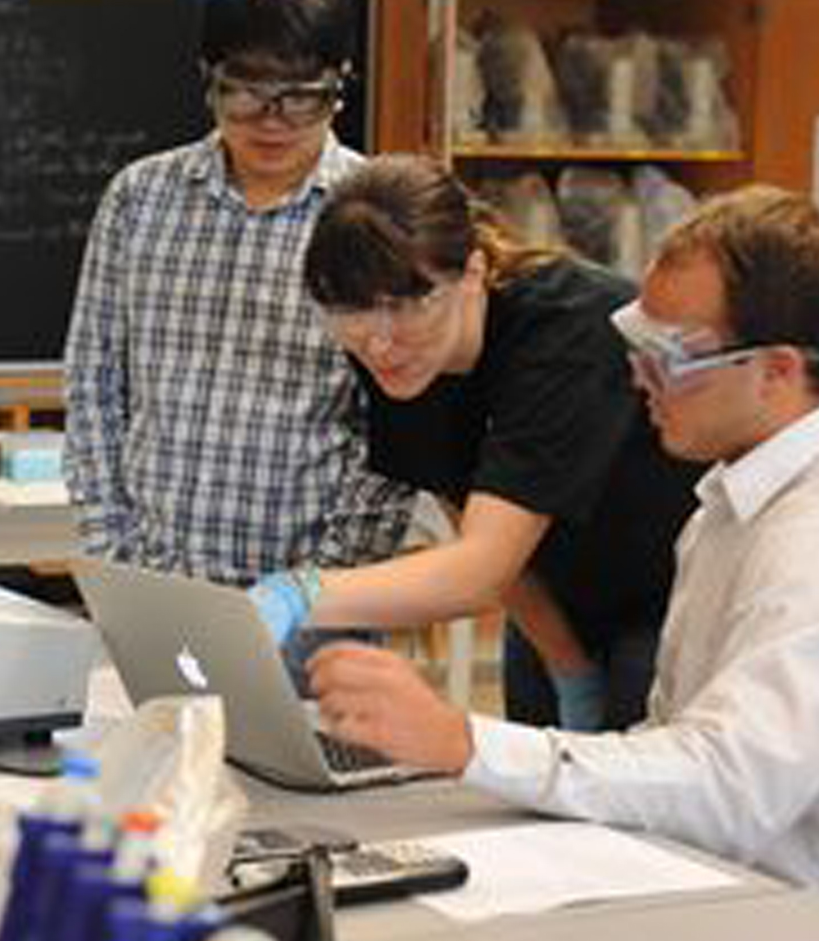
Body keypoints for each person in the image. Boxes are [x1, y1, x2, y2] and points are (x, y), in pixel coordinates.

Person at [308, 183, 819, 884]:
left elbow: (729, 787)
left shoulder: (804, 541)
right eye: (637, 341)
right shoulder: (720, 511)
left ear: (778, 371)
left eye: (669, 354)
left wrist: (464, 741)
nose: (637, 375)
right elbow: (675, 747)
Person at [250, 154, 701, 730]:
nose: (380, 344)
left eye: (407, 307)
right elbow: (470, 517)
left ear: (471, 272)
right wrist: (568, 666)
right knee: (535, 786)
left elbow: (479, 569)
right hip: (556, 592)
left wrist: (298, 595)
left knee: (630, 802)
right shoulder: (392, 349)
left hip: (668, 594)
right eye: (349, 313)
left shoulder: (567, 333)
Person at [63, 0, 415, 585]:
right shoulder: (139, 198)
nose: (272, 119)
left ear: (341, 83)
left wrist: (317, 589)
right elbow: (93, 383)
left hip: (316, 596)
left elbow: (395, 430)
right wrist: (116, 550)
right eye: (246, 89)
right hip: (153, 579)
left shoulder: (375, 214)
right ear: (208, 76)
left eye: (302, 96)